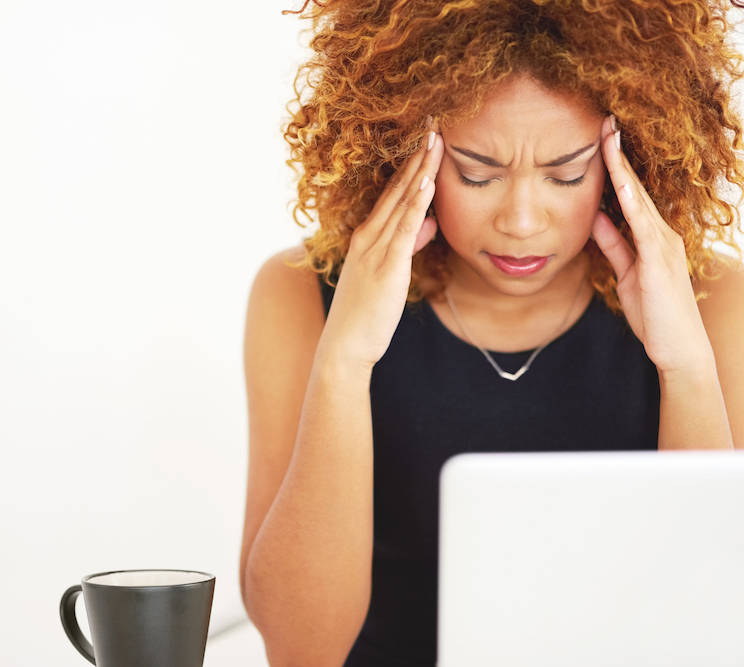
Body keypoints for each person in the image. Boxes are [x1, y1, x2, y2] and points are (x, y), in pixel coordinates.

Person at [239, 1, 744, 664]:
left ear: (626, 160)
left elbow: (713, 626)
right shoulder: (300, 293)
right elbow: (300, 648)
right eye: (477, 172)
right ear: (401, 151)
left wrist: (684, 368)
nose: (523, 220)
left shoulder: (714, 302)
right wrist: (345, 360)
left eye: (567, 173)